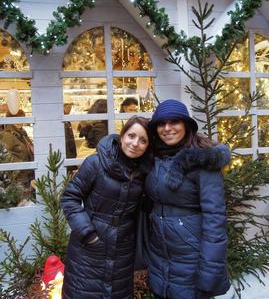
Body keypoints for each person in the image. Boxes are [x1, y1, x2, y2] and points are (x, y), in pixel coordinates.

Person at [144, 99, 231, 299]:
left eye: (174, 122)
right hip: (160, 257)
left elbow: (215, 220)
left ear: (186, 125)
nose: (167, 128)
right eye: (161, 123)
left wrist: (209, 273)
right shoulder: (154, 158)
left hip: (192, 258)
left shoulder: (203, 161)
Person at [61, 116, 152, 299]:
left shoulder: (144, 172)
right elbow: (70, 197)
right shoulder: (96, 163)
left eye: (143, 140)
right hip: (89, 248)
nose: (135, 143)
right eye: (131, 136)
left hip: (123, 249)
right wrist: (88, 234)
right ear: (122, 136)